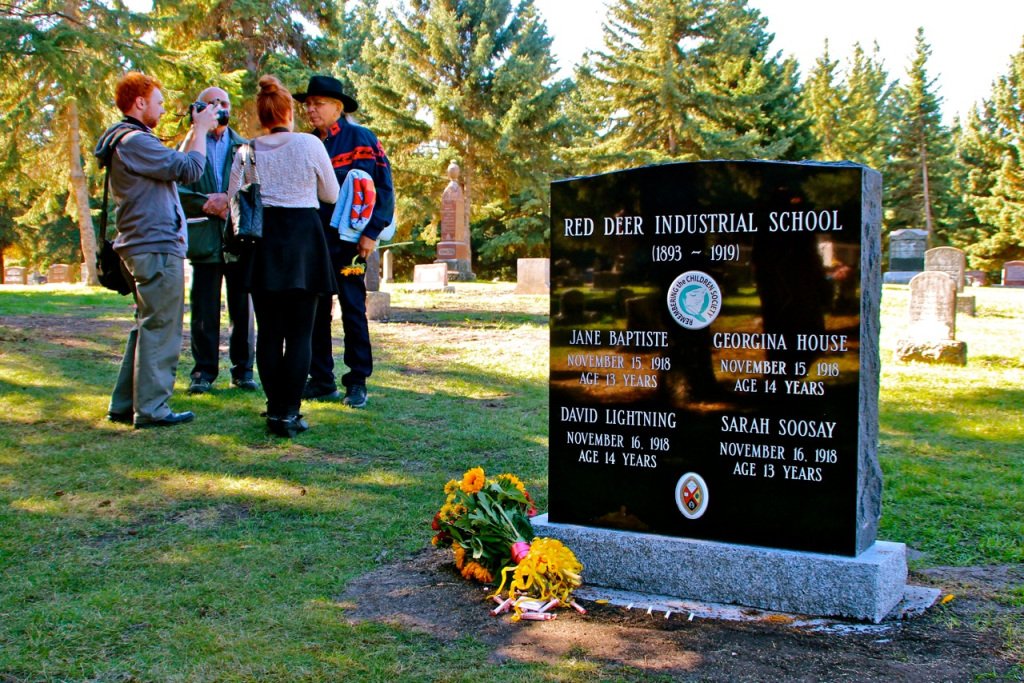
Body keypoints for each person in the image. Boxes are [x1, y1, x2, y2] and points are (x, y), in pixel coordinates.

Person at [95, 71, 218, 428]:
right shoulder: (135, 141)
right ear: (140, 103)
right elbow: (192, 169)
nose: (163, 109)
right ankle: (152, 409)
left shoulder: (127, 141)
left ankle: (125, 404)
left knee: (146, 324)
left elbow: (170, 168)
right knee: (162, 326)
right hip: (155, 245)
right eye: (159, 102)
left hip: (141, 243)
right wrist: (201, 131)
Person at [228, 75, 340, 437]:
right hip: (303, 241)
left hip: (263, 242)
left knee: (269, 332)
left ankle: (275, 409)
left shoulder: (247, 151)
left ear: (261, 115)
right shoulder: (309, 144)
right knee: (301, 333)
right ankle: (289, 413)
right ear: (288, 111)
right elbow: (332, 194)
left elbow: (234, 196)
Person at [294, 75, 395, 408]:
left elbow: (383, 189)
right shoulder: (308, 145)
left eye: (318, 103)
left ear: (338, 107)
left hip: (351, 245)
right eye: (307, 104)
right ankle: (321, 379)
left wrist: (371, 232)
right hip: (314, 243)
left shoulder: (361, 139)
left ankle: (357, 381)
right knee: (316, 311)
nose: (311, 109)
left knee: (353, 307)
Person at [177, 86, 257, 394]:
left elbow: (254, 189)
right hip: (204, 239)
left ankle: (243, 370)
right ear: (200, 107)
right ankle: (204, 371)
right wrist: (204, 204)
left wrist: (228, 200)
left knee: (241, 307)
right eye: (211, 102)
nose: (218, 107)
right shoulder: (191, 146)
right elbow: (178, 190)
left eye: (223, 102)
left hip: (237, 238)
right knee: (204, 308)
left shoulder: (244, 147)